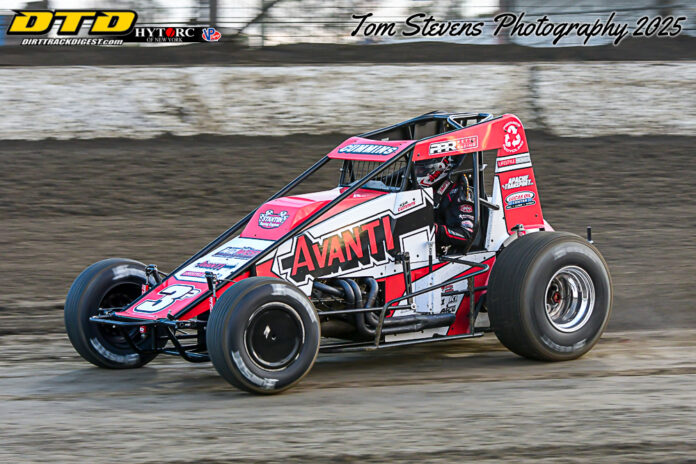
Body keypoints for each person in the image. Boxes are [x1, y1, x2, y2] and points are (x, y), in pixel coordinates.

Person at [415, 156, 475, 251]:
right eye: (416, 169)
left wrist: (433, 229)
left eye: (422, 170)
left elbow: (466, 235)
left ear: (440, 168)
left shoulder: (458, 191)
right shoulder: (420, 185)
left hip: (439, 250)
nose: (417, 173)